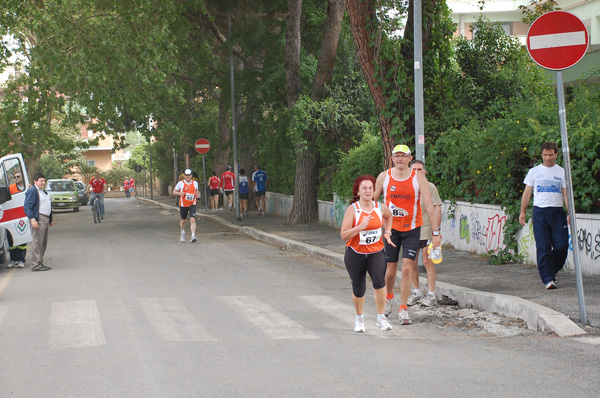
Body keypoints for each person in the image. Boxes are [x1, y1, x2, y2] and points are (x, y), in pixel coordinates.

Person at [374, 144, 441, 325]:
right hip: (390, 230)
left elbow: (429, 206)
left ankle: (403, 308)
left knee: (407, 268)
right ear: (392, 158)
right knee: (389, 271)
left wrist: (435, 233)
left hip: (412, 229)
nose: (400, 159)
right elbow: (372, 201)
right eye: (397, 156)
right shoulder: (384, 177)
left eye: (404, 156)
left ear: (410, 159)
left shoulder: (418, 178)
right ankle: (389, 297)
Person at [340, 175, 395, 333]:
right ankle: (359, 319)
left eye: (370, 188)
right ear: (358, 191)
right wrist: (360, 227)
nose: (368, 191)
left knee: (379, 283)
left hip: (376, 252)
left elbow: (389, 215)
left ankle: (381, 318)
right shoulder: (354, 209)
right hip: (355, 253)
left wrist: (388, 232)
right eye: (364, 188)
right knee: (359, 288)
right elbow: (344, 235)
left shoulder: (379, 207)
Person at [519, 141, 569, 290]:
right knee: (543, 246)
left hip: (557, 212)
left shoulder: (562, 172)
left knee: (562, 246)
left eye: (551, 155)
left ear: (556, 155)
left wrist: (570, 213)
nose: (547, 158)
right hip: (540, 212)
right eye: (545, 155)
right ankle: (548, 279)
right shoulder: (534, 172)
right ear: (542, 154)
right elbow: (527, 193)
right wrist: (522, 211)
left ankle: (552, 268)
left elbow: (566, 194)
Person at [407, 160, 443, 307]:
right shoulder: (406, 186)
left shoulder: (430, 187)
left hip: (427, 230)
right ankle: (416, 292)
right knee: (411, 262)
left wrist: (437, 231)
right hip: (410, 230)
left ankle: (431, 294)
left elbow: (437, 208)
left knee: (427, 261)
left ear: (425, 171)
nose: (417, 172)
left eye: (420, 169)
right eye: (414, 169)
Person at [24, 172, 53, 272]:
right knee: (37, 242)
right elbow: (27, 206)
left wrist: (50, 219)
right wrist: (32, 219)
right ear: (35, 181)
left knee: (43, 242)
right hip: (38, 218)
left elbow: (47, 204)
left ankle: (40, 262)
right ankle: (35, 265)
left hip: (45, 219)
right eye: (41, 181)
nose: (43, 183)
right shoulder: (32, 191)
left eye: (44, 181)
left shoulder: (42, 192)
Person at [173, 169, 200, 243]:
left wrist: (197, 194)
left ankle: (193, 236)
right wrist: (180, 193)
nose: (188, 177)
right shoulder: (180, 183)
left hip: (192, 203)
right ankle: (182, 233)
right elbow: (174, 192)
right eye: (186, 175)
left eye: (189, 175)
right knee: (183, 220)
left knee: (192, 219)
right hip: (183, 204)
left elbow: (196, 191)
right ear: (184, 176)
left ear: (191, 176)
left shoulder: (195, 183)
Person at [7, 172, 27, 268]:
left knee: (22, 240)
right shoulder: (11, 188)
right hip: (11, 217)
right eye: (14, 177)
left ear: (22, 177)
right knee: (11, 241)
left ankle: (21, 259)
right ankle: (13, 259)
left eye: (18, 177)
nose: (16, 178)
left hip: (21, 216)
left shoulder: (27, 187)